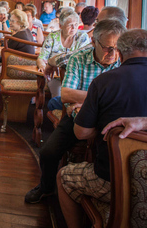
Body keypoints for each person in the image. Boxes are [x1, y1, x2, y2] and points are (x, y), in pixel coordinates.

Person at [25, 20, 127, 204]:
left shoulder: (124, 60)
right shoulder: (79, 58)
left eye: (117, 47)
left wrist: (87, 98)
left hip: (111, 120)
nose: (113, 54)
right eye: (107, 48)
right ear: (94, 42)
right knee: (48, 153)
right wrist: (102, 97)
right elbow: (66, 95)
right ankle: (46, 188)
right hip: (78, 118)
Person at [57, 29, 147, 228]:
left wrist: (104, 126)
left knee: (64, 177)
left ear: (120, 55)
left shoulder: (104, 82)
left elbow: (81, 133)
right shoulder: (80, 60)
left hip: (112, 180)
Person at [44, 6, 128, 73]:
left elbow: (69, 58)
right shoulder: (129, 47)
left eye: (98, 22)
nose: (94, 25)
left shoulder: (97, 44)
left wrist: (51, 61)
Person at [37, 9, 90, 99]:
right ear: (61, 26)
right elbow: (41, 57)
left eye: (76, 24)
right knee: (58, 98)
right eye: (70, 25)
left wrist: (56, 63)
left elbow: (82, 59)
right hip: (55, 76)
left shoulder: (82, 37)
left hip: (76, 77)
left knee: (71, 97)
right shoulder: (53, 36)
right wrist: (42, 66)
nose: (74, 28)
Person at [0, 10, 35, 106]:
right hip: (29, 67)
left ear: (21, 23)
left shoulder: (17, 36)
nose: (10, 23)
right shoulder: (27, 32)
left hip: (20, 68)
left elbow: (6, 53)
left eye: (13, 21)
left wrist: (0, 52)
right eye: (10, 20)